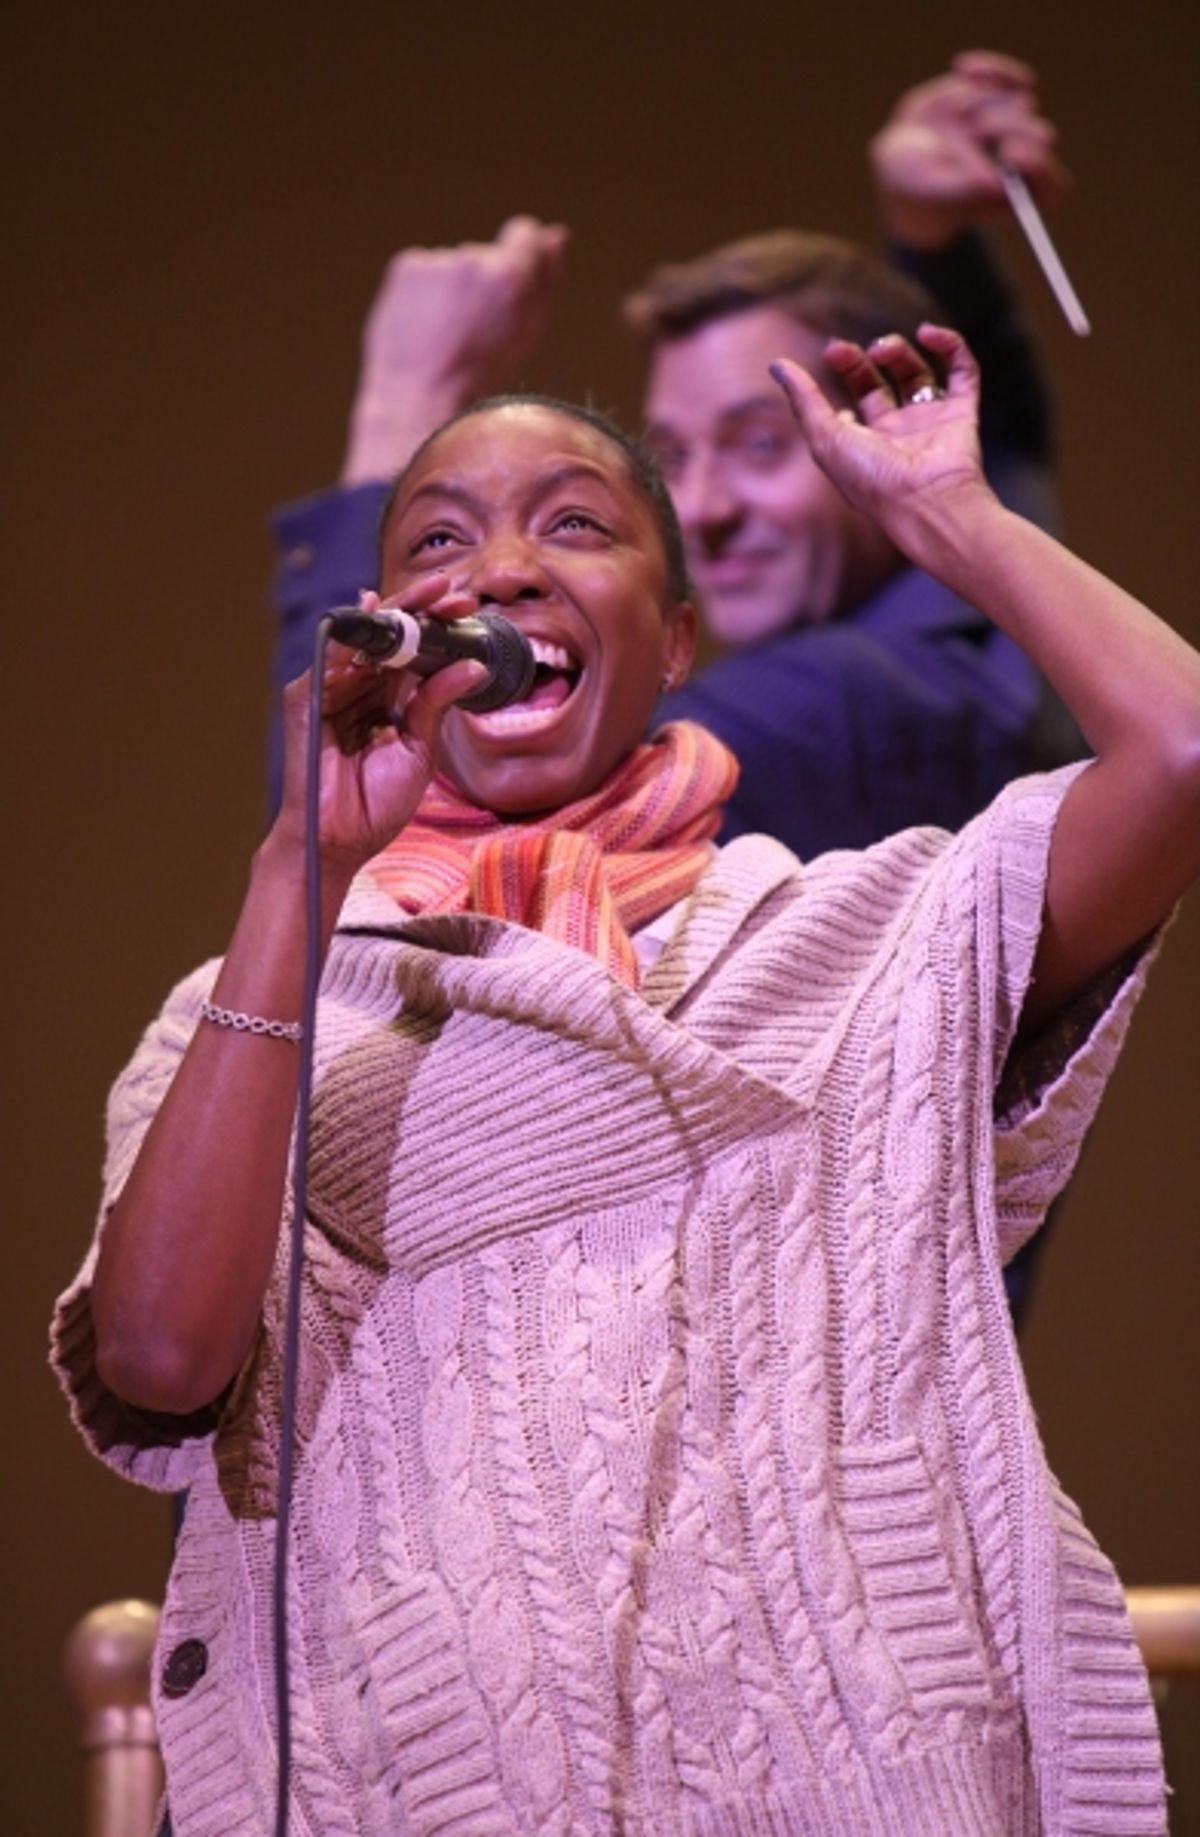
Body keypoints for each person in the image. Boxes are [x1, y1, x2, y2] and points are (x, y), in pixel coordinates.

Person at [53, 322, 1199, 1833]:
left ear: (672, 643)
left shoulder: (854, 936)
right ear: (395, 632)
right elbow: (155, 1362)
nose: (507, 570)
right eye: (443, 540)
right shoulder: (253, 1012)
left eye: (576, 523)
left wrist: (945, 515)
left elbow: (1178, 752)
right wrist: (297, 872)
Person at [269, 49, 1082, 860]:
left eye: (761, 444)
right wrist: (931, 238)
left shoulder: (841, 704)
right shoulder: (997, 624)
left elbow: (353, 829)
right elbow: (1004, 434)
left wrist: (399, 400)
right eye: (675, 458)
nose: (703, 510)